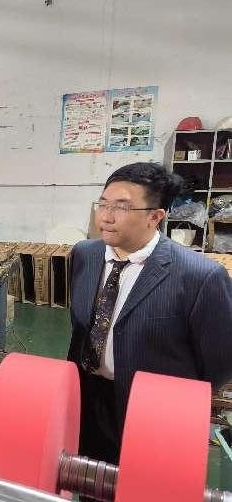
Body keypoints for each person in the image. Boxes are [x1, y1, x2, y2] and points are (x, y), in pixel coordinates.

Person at [68, 162, 232, 467]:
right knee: (87, 475)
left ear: (155, 217)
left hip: (153, 411)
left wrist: (173, 402)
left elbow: (219, 365)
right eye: (103, 204)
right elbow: (80, 329)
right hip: (87, 396)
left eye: (122, 207)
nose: (106, 217)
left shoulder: (199, 277)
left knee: (142, 480)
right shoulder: (84, 254)